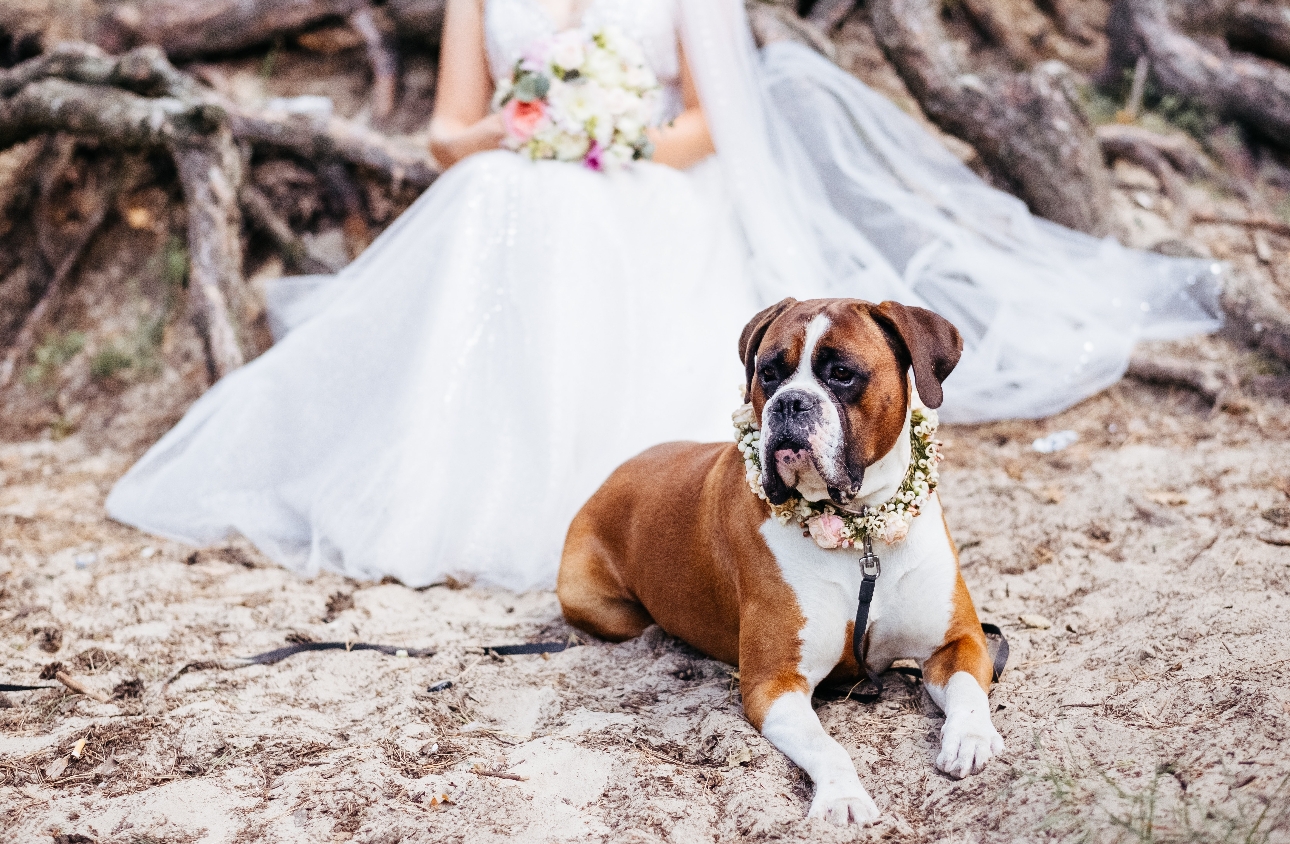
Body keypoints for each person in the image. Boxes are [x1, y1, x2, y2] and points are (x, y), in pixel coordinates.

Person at [106, 0, 1222, 590]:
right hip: (514, 178)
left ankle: (599, 506)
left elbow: (708, 123)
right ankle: (467, 484)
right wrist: (521, 129)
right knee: (501, 195)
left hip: (653, 182)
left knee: (573, 211)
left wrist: (612, 134)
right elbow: (448, 133)